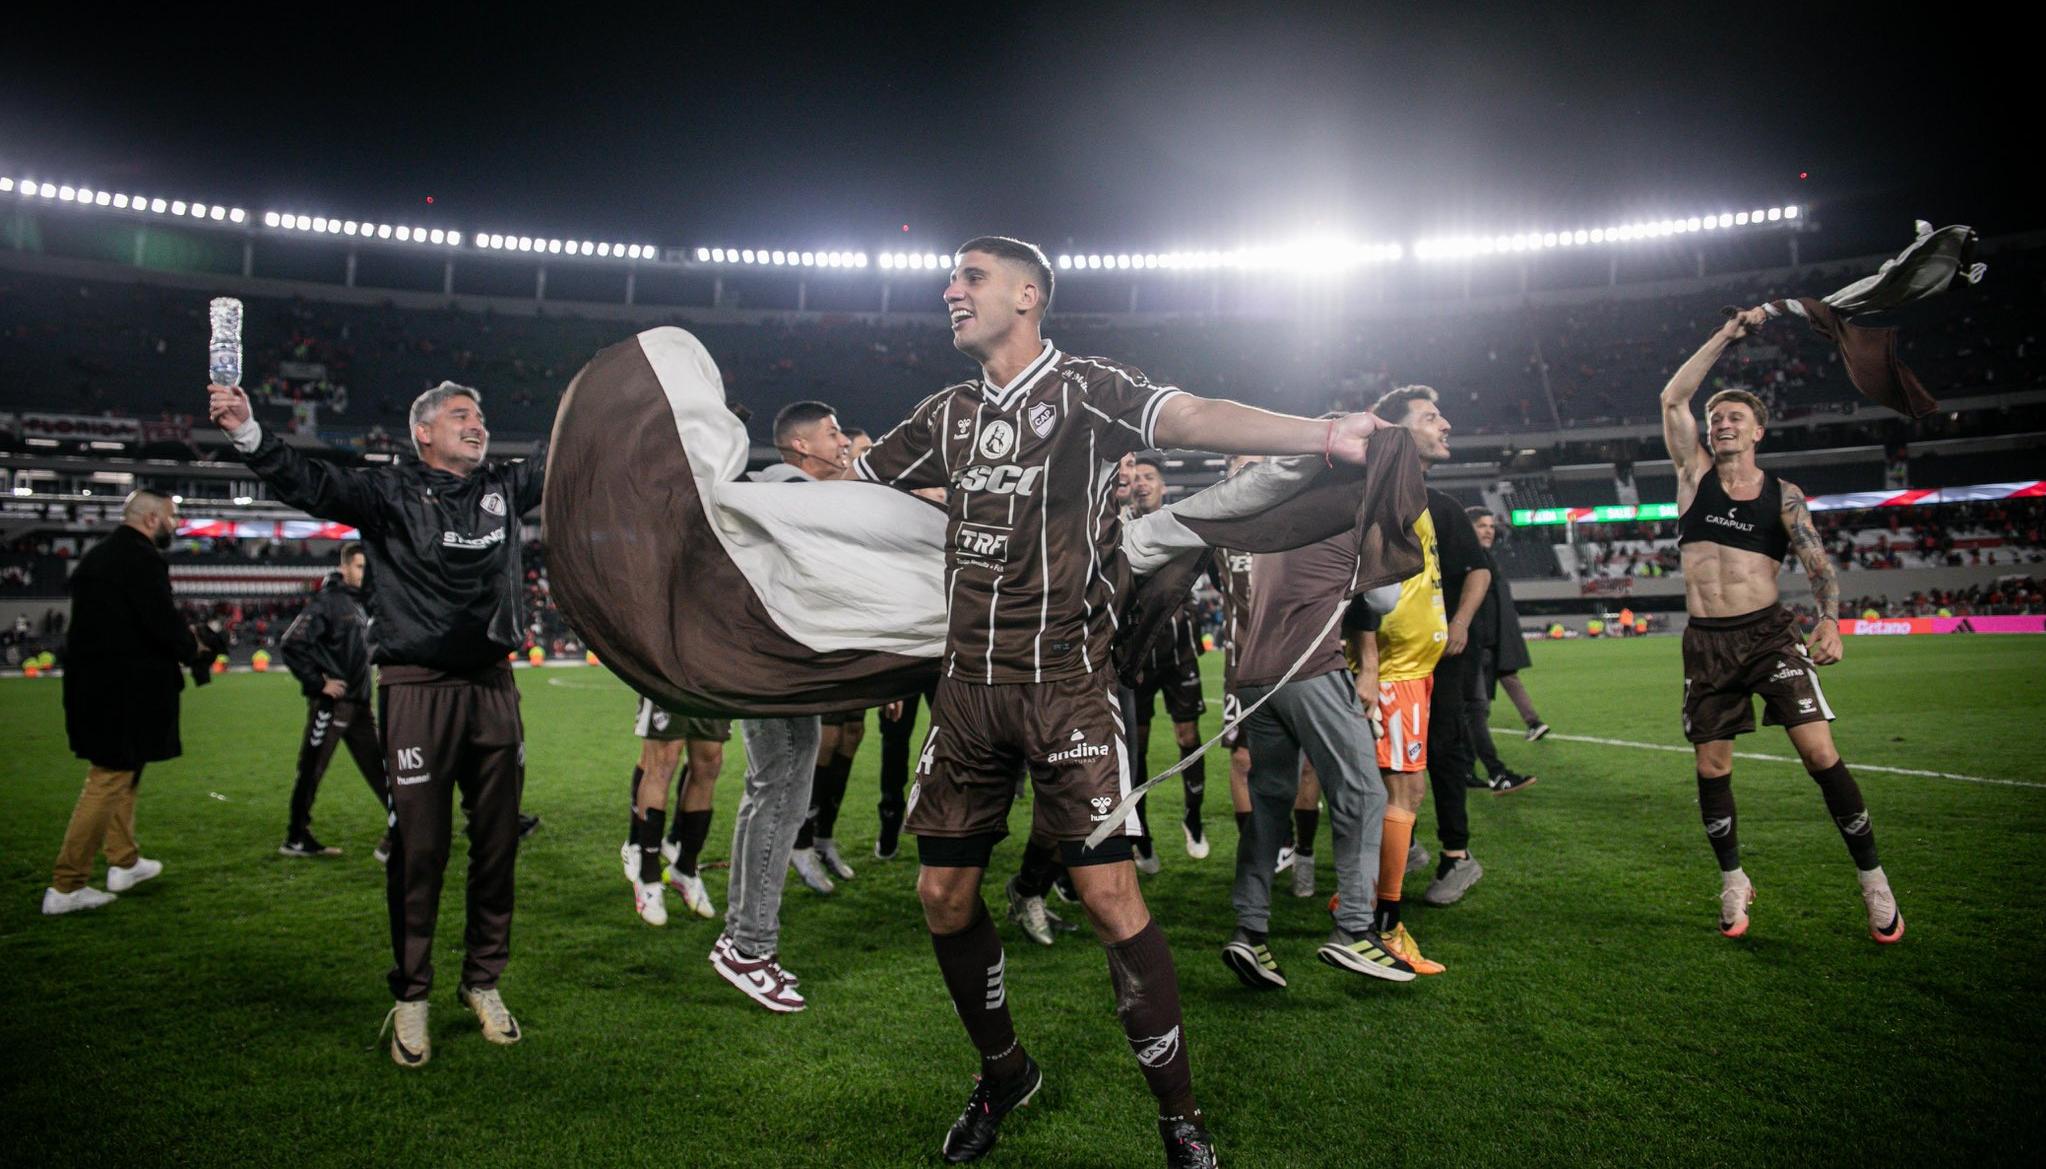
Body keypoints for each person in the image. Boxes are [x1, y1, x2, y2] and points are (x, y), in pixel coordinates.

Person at [853, 235, 1386, 1168]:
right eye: (951, 278)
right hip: (967, 697)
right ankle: (1004, 1070)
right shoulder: (943, 415)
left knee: (1106, 896)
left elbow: (1187, 416)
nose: (950, 290)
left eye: (969, 277)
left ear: (1028, 295)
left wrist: (1319, 432)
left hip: (1066, 690)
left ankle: (1179, 1116)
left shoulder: (1088, 391)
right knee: (941, 894)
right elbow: (852, 495)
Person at [210, 378, 542, 1066]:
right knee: (420, 849)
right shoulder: (388, 493)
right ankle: (412, 993)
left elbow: (574, 451)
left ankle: (483, 980)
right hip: (417, 689)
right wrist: (249, 432)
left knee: (499, 845)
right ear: (423, 432)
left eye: (480, 416)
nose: (477, 426)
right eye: (460, 416)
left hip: (493, 687)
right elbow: (309, 481)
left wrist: (638, 393)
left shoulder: (505, 488)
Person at [1659, 309, 1902, 943]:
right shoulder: (1693, 477)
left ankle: (1874, 882)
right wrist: (1726, 335)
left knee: (1819, 752)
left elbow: (1817, 564)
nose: (1721, 422)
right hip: (1706, 643)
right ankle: (1734, 879)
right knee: (1713, 769)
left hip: (1767, 635)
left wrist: (1832, 621)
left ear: (1759, 431)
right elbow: (1673, 396)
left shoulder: (1783, 495)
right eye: (1717, 418)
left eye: (1735, 416)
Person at [1220, 488, 1415, 991]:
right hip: (1309, 669)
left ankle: (1250, 930)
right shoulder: (1358, 507)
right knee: (1364, 794)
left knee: (1269, 801)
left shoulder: (1281, 511)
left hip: (1255, 674)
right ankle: (1354, 929)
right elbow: (1384, 598)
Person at [707, 399, 847, 1011]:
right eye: (834, 433)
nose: (845, 443)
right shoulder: (792, 488)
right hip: (775, 672)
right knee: (782, 797)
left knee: (767, 794)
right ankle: (749, 948)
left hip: (772, 669)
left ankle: (741, 938)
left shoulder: (780, 488)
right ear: (799, 449)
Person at [43, 490, 198, 915]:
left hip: (94, 687)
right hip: (119, 692)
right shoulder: (141, 559)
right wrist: (194, 649)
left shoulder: (99, 557)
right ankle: (67, 886)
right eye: (171, 516)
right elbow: (161, 621)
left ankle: (124, 862)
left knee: (123, 772)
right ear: (150, 519)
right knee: (109, 777)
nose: (175, 523)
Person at [277, 541, 390, 859]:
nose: (364, 573)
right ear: (344, 568)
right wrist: (319, 683)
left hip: (359, 706)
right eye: (359, 566)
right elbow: (292, 643)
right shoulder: (327, 602)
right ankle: (296, 837)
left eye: (367, 567)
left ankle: (401, 826)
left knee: (382, 768)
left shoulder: (358, 603)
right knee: (312, 769)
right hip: (332, 705)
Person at [1124, 454, 1211, 859]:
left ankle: (1193, 818)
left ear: (1162, 485)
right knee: (1136, 746)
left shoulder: (1184, 523)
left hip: (1179, 655)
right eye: (1136, 477)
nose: (1142, 483)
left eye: (1149, 476)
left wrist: (1189, 614)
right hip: (1136, 658)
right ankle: (1141, 835)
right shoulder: (1118, 525)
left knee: (1188, 737)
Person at [621, 698, 729, 924]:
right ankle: (648, 877)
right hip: (671, 674)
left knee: (710, 761)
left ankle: (685, 869)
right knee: (663, 758)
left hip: (714, 674)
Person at [1460, 509, 1538, 795]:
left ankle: (1466, 770)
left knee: (1470, 712)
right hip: (1472, 649)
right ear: (1467, 528)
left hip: (1483, 648)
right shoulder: (1468, 558)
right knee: (1476, 711)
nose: (1488, 531)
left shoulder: (1483, 558)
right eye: (1481, 526)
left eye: (1491, 526)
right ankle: (1496, 773)